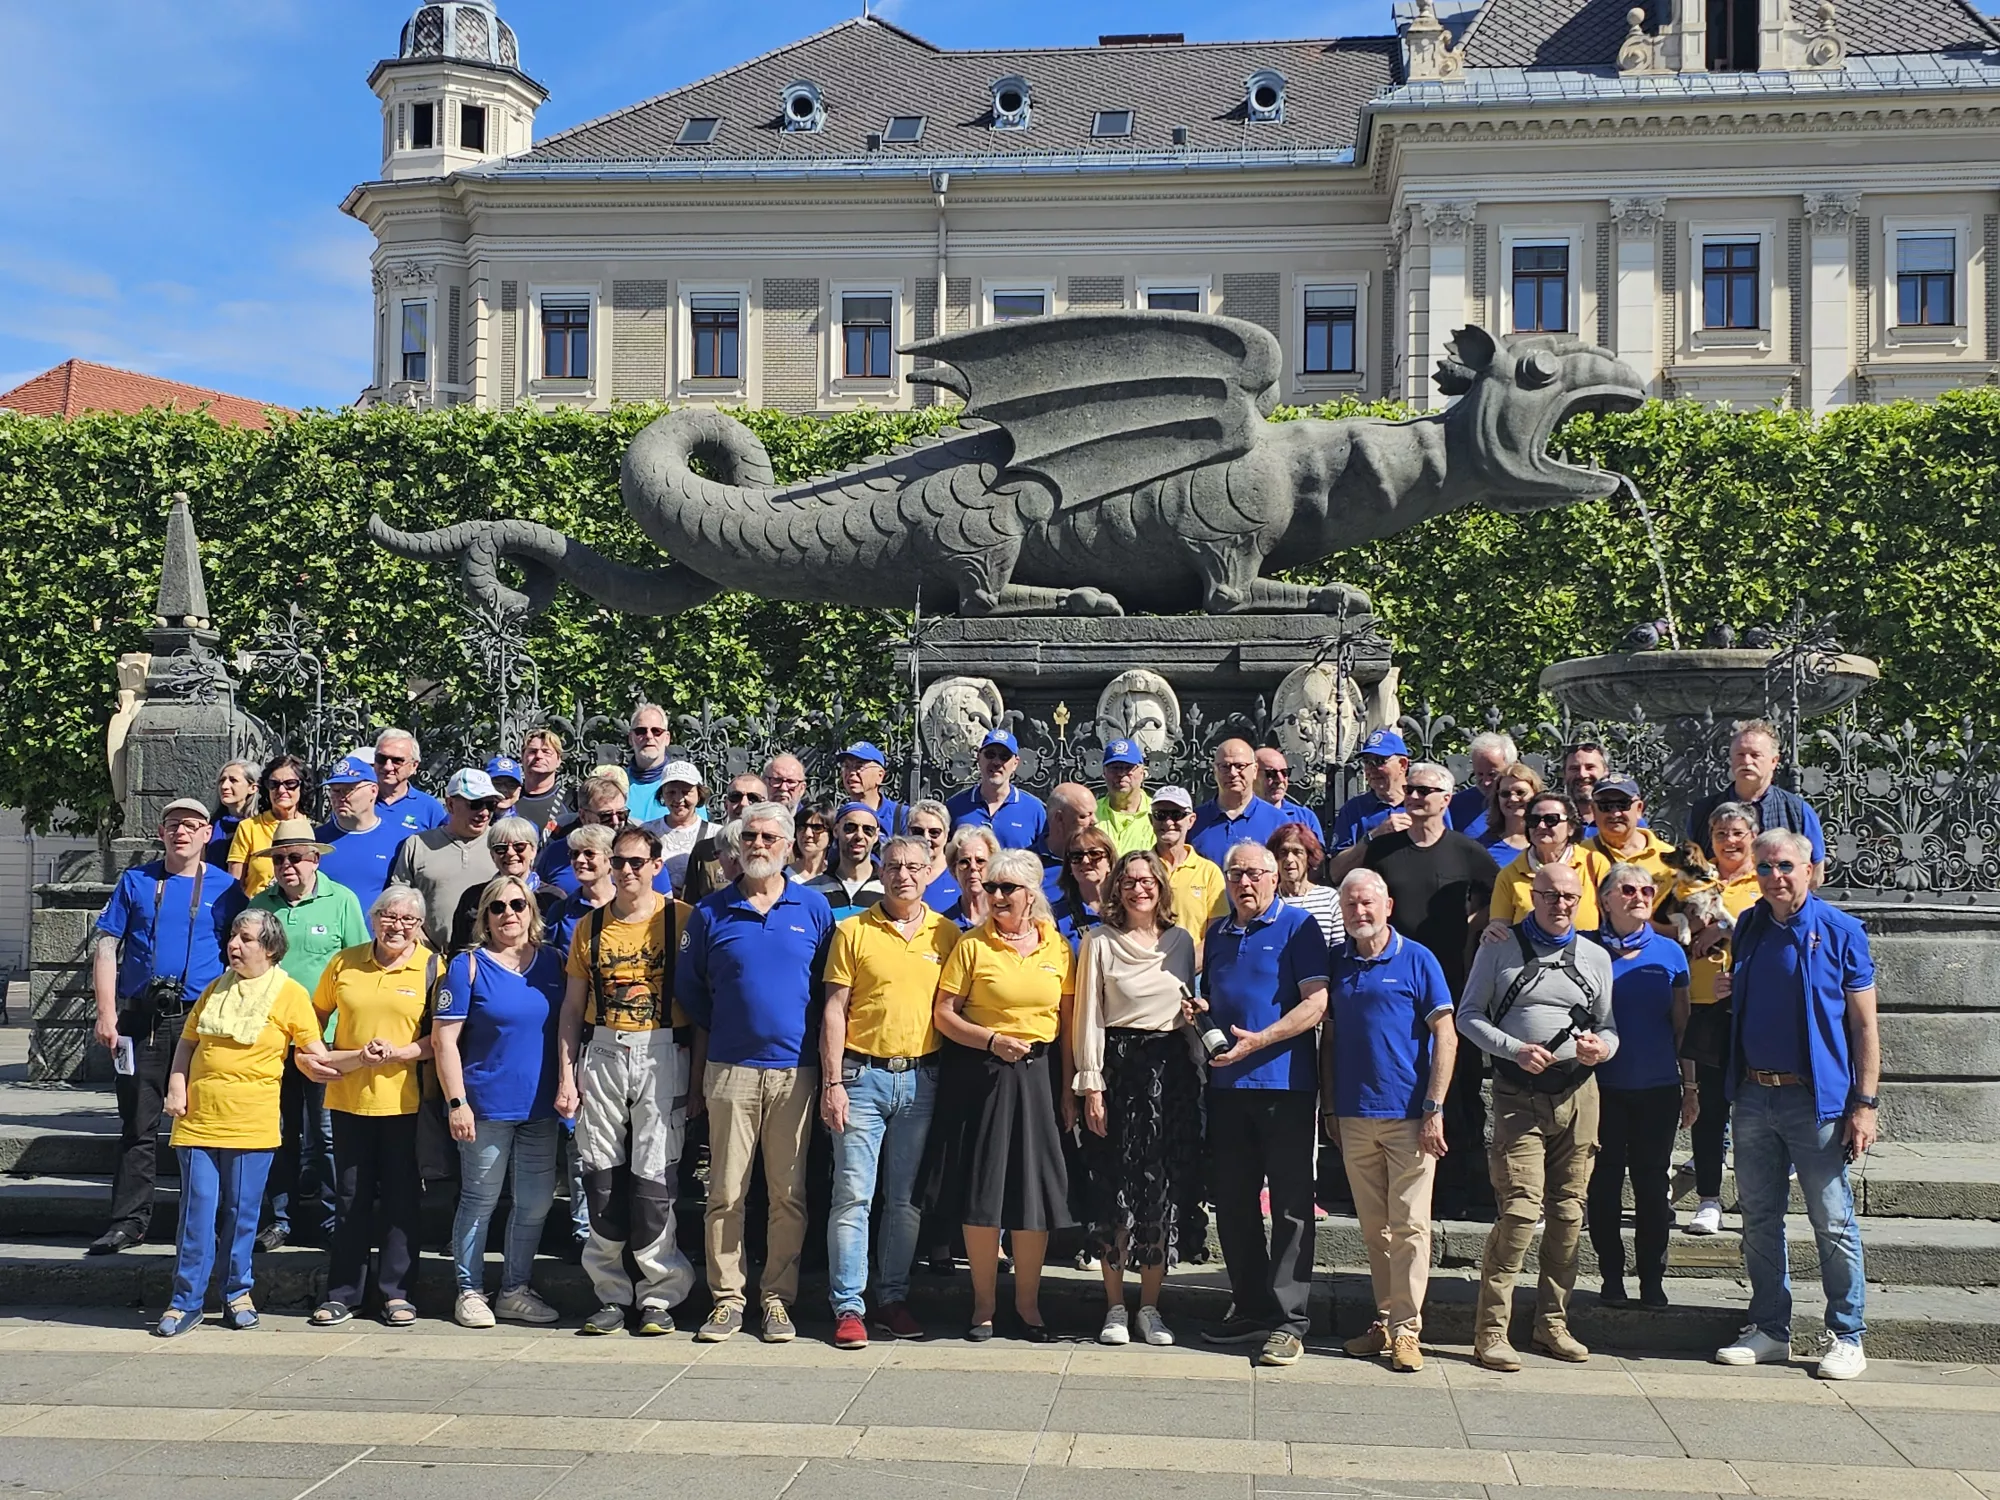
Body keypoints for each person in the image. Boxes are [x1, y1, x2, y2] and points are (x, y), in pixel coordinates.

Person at [1712, 829, 1878, 1381]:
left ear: (1811, 869)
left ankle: (1847, 1334)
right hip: (1755, 1094)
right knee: (1759, 1219)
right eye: (1764, 868)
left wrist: (1865, 1104)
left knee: (1831, 1220)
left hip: (1816, 1101)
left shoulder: (1840, 931)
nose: (1774, 877)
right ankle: (1769, 1329)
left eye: (1785, 865)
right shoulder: (1752, 925)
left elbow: (1863, 1025)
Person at [680, 801, 836, 1344]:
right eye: (751, 836)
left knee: (788, 1193)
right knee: (725, 1191)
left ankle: (776, 1299)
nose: (759, 845)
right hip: (729, 1069)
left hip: (796, 1071)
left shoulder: (812, 908)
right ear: (737, 845)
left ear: (788, 846)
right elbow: (691, 990)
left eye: (771, 837)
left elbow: (826, 989)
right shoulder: (710, 913)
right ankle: (726, 1298)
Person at [1456, 861, 1618, 1370]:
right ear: (1533, 895)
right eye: (1550, 896)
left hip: (1578, 1094)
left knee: (1569, 1214)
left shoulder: (1595, 955)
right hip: (1517, 1093)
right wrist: (1513, 1049)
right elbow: (1468, 1017)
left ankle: (1553, 1323)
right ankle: (1492, 1331)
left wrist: (1601, 1050)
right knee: (1522, 1211)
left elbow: (1609, 1027)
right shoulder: (1498, 945)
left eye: (1570, 896)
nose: (1561, 905)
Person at [153, 909, 330, 1336]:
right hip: (198, 1120)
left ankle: (236, 1293)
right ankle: (186, 1301)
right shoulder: (214, 989)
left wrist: (353, 1062)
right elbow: (187, 1045)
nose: (234, 944)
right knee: (196, 1212)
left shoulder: (289, 994)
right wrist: (177, 1087)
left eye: (246, 938)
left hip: (252, 1120)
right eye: (233, 936)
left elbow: (311, 1054)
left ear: (269, 949)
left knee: (242, 1213)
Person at [923, 847, 1075, 1341]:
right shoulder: (972, 945)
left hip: (1040, 1075)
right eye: (990, 888)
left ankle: (1029, 1307)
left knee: (1033, 1196)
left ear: (1031, 894)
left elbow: (1068, 1023)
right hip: (983, 1072)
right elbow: (944, 1013)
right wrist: (990, 1039)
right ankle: (983, 1305)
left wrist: (1072, 1087)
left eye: (1006, 888)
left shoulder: (1059, 946)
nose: (995, 896)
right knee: (983, 1192)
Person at [555, 824, 699, 1336]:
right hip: (604, 1048)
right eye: (619, 862)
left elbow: (702, 1008)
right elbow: (572, 1009)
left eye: (638, 862)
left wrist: (697, 1078)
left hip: (664, 1049)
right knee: (599, 1172)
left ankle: (660, 1293)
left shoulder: (681, 921)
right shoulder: (588, 928)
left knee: (655, 1175)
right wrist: (566, 1076)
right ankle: (611, 1293)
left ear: (657, 865)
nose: (628, 871)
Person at [819, 834, 959, 1348]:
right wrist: (832, 1081)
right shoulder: (853, 931)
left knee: (904, 1201)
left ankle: (892, 1297)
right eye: (895, 865)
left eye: (914, 867)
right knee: (852, 1196)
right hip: (861, 1077)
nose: (904, 874)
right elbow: (835, 1008)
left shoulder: (947, 934)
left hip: (921, 1079)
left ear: (929, 873)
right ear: (881, 870)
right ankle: (848, 1306)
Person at [88, 798, 243, 1257]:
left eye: (193, 825)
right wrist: (106, 1013)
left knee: (202, 1125)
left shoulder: (228, 887)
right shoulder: (136, 881)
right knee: (138, 1122)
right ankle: (128, 1222)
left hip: (201, 1018)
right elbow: (106, 947)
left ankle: (202, 1224)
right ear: (161, 832)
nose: (183, 832)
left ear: (207, 835)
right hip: (141, 1020)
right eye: (174, 824)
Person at [1198, 840, 1330, 1367]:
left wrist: (1262, 1039)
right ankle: (1250, 1306)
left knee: (1293, 1206)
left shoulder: (1299, 927)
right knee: (1232, 1203)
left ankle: (1291, 1320)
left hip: (1285, 1085)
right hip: (1227, 1089)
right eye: (1236, 874)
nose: (1245, 882)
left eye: (1255, 873)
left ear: (1276, 878)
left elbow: (1316, 1002)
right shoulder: (1218, 932)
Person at [1350, 762, 1500, 1219]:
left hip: (1451, 980)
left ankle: (1460, 1187)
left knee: (1459, 1084)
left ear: (1446, 800)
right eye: (1410, 790)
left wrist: (1481, 929)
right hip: (1392, 983)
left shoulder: (1466, 851)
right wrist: (1370, 837)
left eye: (1424, 791)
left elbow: (1500, 895)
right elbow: (1348, 885)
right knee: (1404, 1079)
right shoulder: (1386, 848)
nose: (1414, 797)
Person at [1322, 869, 1455, 1373]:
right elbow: (1330, 1041)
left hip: (1409, 1116)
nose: (1359, 912)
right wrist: (1331, 1107)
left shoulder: (1418, 959)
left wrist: (1435, 1108)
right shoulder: (1338, 963)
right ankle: (1384, 1320)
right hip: (1355, 1115)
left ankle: (1407, 1330)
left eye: (1367, 904)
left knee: (1412, 1227)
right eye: (1350, 905)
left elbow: (1446, 1036)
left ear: (1388, 906)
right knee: (1375, 1229)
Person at [1070, 850, 1201, 1348]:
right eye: (1128, 881)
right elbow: (1089, 1015)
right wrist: (1091, 1084)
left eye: (1147, 881)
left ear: (1162, 887)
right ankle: (1114, 1308)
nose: (1138, 889)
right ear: (1116, 889)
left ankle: (1150, 1307)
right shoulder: (1098, 941)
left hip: (1170, 1075)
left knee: (1159, 1191)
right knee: (1113, 1191)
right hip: (1119, 1071)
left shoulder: (1181, 942)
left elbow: (1187, 1010)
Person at [434, 873, 566, 1328]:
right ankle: (469, 1291)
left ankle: (515, 1289)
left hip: (541, 1108)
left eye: (518, 905)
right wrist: (457, 1103)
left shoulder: (555, 963)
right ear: (484, 917)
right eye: (498, 907)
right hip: (485, 1107)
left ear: (532, 912)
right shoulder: (467, 966)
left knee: (534, 1203)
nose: (509, 914)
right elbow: (444, 1041)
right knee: (479, 1199)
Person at [308, 885, 437, 1329]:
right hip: (348, 1098)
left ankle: (397, 1294)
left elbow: (444, 1036)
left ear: (420, 926)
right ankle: (344, 1294)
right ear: (373, 917)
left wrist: (403, 1052)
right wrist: (317, 1053)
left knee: (401, 1202)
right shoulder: (345, 961)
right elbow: (314, 1014)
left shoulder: (432, 967)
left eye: (408, 920)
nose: (397, 926)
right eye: (389, 916)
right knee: (350, 1200)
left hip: (406, 1102)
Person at [246, 820, 368, 1253]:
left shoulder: (342, 901)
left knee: (328, 1134)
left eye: (296, 857)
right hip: (272, 1042)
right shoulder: (261, 905)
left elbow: (360, 968)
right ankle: (281, 1220)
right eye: (279, 858)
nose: (286, 865)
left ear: (315, 858)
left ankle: (337, 1220)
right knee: (278, 1133)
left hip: (326, 1042)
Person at [1588, 861, 1694, 1310]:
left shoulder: (1670, 953)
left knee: (1653, 1186)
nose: (1639, 897)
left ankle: (1653, 1278)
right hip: (1600, 1089)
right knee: (1603, 1184)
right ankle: (1611, 1276)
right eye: (1627, 890)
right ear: (1606, 899)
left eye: (1647, 891)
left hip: (1657, 1088)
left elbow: (1683, 1026)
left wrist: (1692, 1087)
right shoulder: (1584, 949)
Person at [1667, 801, 1763, 1237]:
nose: (1729, 841)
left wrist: (1725, 930)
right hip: (1701, 1001)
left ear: (1752, 836)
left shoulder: (1763, 878)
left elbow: (1774, 929)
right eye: (1721, 833)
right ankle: (1709, 1199)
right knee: (1706, 1110)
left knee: (1754, 1110)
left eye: (1737, 833)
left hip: (1749, 1009)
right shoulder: (1691, 878)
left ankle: (1757, 1194)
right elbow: (1660, 922)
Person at [1686, 719, 1829, 883]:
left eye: (1755, 755)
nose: (1746, 761)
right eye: (1740, 754)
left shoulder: (1798, 811)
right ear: (1731, 759)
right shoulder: (1703, 810)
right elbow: (1692, 865)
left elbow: (1815, 875)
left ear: (1774, 761)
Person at [386, 768, 501, 952]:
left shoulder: (502, 845)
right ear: (450, 804)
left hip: (488, 960)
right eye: (476, 804)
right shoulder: (418, 844)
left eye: (490, 805)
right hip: (427, 957)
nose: (484, 812)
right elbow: (399, 903)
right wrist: (423, 945)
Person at [1485, 792, 1611, 939]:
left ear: (1571, 827)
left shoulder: (1594, 864)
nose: (1541, 826)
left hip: (1585, 957)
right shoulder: (1509, 875)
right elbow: (1500, 931)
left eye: (1551, 820)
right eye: (1533, 820)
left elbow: (1613, 919)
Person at [316, 754, 402, 914]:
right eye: (335, 791)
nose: (340, 798)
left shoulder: (399, 841)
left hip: (377, 937)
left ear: (373, 791)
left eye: (348, 790)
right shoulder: (316, 840)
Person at [1150, 785, 1225, 956]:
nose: (1168, 822)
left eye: (1176, 815)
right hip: (1147, 969)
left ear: (1191, 820)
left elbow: (1215, 933)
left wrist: (1188, 966)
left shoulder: (1209, 872)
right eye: (1160, 815)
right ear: (1150, 820)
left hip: (1194, 973)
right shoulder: (1140, 868)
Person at [947, 730, 1048, 852]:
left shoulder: (1034, 810)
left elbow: (1044, 861)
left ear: (1015, 763)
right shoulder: (955, 807)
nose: (996, 762)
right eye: (990, 755)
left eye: (1004, 756)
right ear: (979, 758)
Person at [1191, 738, 1286, 865]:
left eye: (1240, 766)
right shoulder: (1194, 822)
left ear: (1254, 770)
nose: (1233, 773)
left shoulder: (1278, 822)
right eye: (1225, 767)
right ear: (1214, 771)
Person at [536, 775, 633, 897]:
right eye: (606, 816)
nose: (615, 821)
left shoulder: (638, 852)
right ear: (583, 816)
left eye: (621, 814)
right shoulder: (556, 853)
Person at [227, 756, 309, 898]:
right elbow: (234, 886)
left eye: (290, 783)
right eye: (274, 784)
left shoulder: (313, 829)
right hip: (257, 913)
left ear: (302, 787)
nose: (281, 790)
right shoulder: (249, 827)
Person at [683, 773, 768, 902]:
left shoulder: (777, 847)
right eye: (736, 797)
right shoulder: (704, 850)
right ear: (726, 803)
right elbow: (690, 905)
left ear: (766, 805)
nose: (744, 804)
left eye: (753, 798)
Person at [1584, 776, 1677, 892]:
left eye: (1623, 804)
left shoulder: (1668, 857)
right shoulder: (1580, 856)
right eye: (1605, 805)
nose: (1615, 813)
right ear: (1593, 810)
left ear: (1639, 809)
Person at [1329, 728, 1410, 851]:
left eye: (1379, 761)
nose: (1371, 769)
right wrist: (1373, 836)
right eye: (1367, 762)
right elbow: (1336, 868)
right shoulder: (1353, 809)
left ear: (1403, 765)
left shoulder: (1423, 802)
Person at [808, 801, 885, 921]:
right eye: (850, 828)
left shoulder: (888, 890)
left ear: (876, 836)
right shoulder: (811, 891)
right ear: (836, 831)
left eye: (868, 830)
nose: (859, 835)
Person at [1270, 823, 1342, 944]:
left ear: (1309, 857)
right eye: (1283, 852)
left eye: (1297, 852)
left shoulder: (1329, 898)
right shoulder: (1268, 898)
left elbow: (1337, 948)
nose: (1289, 859)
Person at [646, 758, 708, 893]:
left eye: (686, 792)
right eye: (671, 792)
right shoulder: (646, 832)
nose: (679, 799)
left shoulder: (715, 834)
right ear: (662, 794)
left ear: (699, 794)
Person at [374, 728, 447, 834]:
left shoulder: (429, 808)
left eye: (397, 761)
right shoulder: (358, 800)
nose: (387, 767)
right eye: (381, 759)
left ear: (413, 766)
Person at [1054, 826, 1117, 946]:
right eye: (1076, 856)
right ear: (1070, 866)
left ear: (1109, 862)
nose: (1086, 861)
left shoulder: (1127, 909)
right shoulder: (1057, 916)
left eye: (1094, 854)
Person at [1450, 731, 1518, 840]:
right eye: (1480, 774)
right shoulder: (1455, 806)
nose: (1486, 782)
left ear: (1512, 767)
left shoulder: (1527, 804)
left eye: (1492, 774)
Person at [1479, 761, 1544, 866]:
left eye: (1520, 792)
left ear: (1535, 795)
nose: (1513, 799)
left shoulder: (1548, 838)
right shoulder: (1482, 848)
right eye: (1505, 794)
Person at [1041, 782, 1098, 901]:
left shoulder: (1101, 859)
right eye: (1084, 816)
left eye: (1094, 814)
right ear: (1059, 818)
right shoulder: (1029, 865)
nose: (1094, 821)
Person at [1255, 747, 1324, 844]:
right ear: (1252, 774)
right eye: (1271, 774)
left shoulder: (1305, 817)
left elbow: (1317, 857)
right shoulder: (1238, 816)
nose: (1280, 779)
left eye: (1285, 773)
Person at [1095, 739, 1153, 855]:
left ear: (1142, 772)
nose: (1121, 774)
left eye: (1128, 768)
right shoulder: (1091, 814)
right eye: (1115, 768)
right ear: (1104, 772)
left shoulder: (1157, 813)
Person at [623, 704, 677, 825]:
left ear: (667, 738)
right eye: (641, 731)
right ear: (631, 738)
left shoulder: (683, 785)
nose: (648, 736)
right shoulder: (617, 785)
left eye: (656, 731)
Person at [837, 741, 904, 835]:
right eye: (846, 766)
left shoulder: (901, 816)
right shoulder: (838, 817)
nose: (851, 772)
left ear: (880, 776)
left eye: (859, 766)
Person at [941, 825, 1000, 929]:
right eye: (964, 862)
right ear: (954, 870)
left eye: (980, 861)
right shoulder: (943, 925)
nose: (973, 867)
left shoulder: (1004, 921)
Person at [516, 728, 572, 834]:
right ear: (522, 757)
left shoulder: (571, 800)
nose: (539, 756)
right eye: (532, 751)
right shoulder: (510, 799)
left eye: (546, 752)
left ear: (558, 760)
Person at [206, 760, 258, 871]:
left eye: (233, 780)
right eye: (222, 780)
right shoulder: (209, 827)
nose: (224, 786)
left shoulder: (262, 826)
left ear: (252, 788)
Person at [905, 799, 955, 908]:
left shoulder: (958, 876)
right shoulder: (898, 873)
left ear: (946, 835)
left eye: (934, 832)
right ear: (908, 832)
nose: (925, 838)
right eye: (918, 831)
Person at [789, 797, 837, 882]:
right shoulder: (782, 876)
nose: (807, 834)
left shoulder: (836, 878)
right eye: (802, 827)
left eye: (817, 828)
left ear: (832, 835)